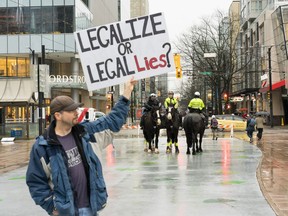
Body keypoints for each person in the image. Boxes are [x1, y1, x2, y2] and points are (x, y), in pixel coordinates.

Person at [26, 78, 137, 216]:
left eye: (76, 109)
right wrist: (52, 206)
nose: (76, 112)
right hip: (66, 212)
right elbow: (35, 181)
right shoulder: (43, 146)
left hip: (91, 209)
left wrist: (127, 91)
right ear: (58, 115)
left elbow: (112, 120)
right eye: (71, 110)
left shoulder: (86, 133)